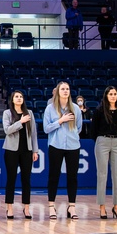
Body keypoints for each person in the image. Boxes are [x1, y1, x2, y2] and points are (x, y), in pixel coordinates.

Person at [44, 81, 82, 219]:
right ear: (58, 91)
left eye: (67, 89)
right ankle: (51, 206)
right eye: (63, 89)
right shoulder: (50, 108)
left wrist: (72, 136)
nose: (65, 91)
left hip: (73, 146)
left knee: (72, 177)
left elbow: (79, 127)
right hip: (56, 145)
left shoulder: (76, 109)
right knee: (54, 176)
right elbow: (46, 128)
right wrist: (60, 121)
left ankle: (72, 206)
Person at [1, 90, 38, 219]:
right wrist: (20, 122)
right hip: (11, 150)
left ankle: (26, 208)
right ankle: (9, 208)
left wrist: (35, 150)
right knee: (11, 178)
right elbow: (7, 130)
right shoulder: (7, 113)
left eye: (21, 97)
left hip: (26, 150)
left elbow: (33, 133)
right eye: (16, 96)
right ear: (12, 99)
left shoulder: (30, 113)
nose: (19, 98)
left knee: (26, 180)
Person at [91, 86, 117, 220]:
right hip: (102, 140)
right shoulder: (99, 111)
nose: (113, 96)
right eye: (110, 94)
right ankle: (102, 206)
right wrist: (100, 140)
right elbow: (93, 131)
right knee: (102, 174)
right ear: (106, 96)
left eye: (115, 94)